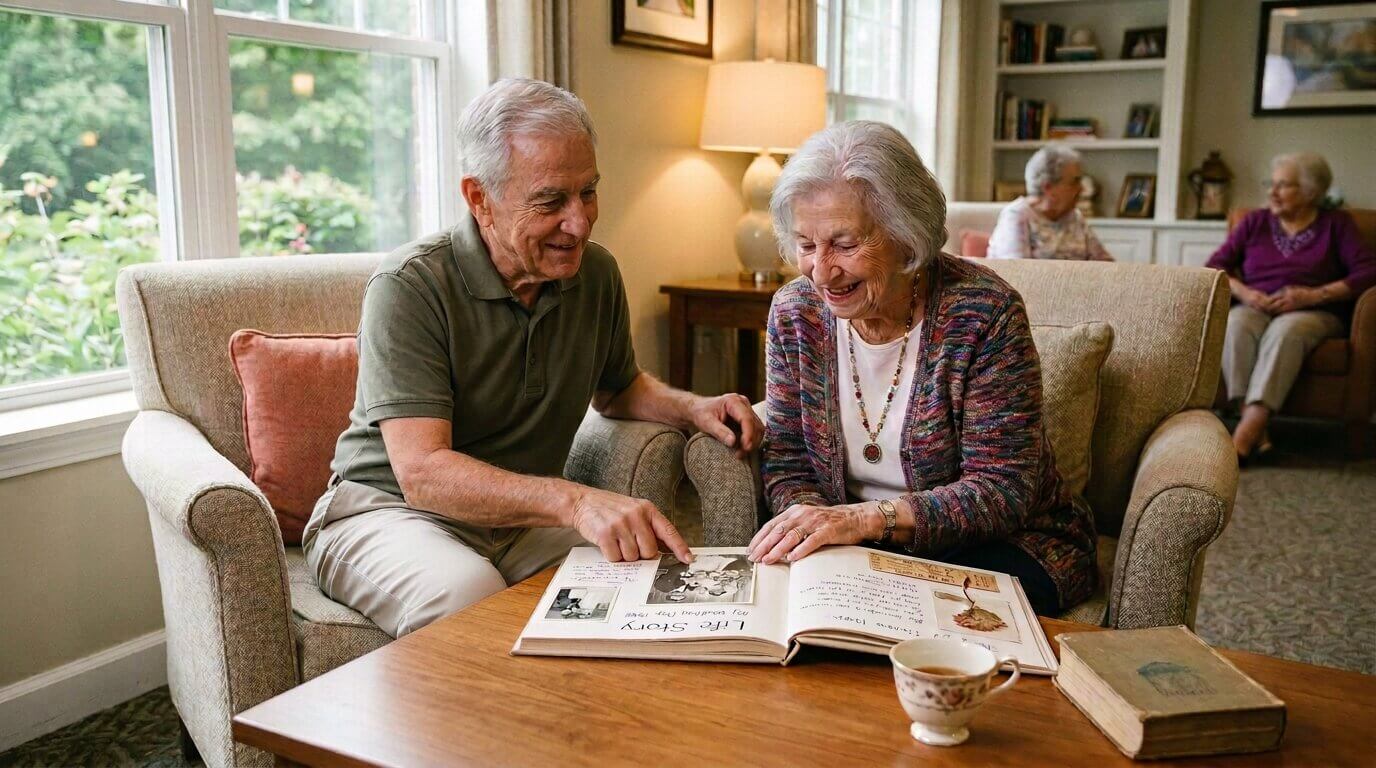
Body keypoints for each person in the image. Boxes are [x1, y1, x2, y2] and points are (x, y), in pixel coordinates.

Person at [303, 78, 762, 638]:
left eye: (588, 191)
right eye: (551, 201)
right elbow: (423, 473)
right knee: (466, 595)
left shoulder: (594, 274)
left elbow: (618, 389)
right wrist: (574, 503)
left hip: (514, 521)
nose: (580, 222)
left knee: (643, 580)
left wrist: (694, 408)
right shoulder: (410, 286)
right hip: (385, 512)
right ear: (480, 199)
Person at [746, 121, 1098, 616]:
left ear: (907, 234)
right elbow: (787, 459)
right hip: (857, 548)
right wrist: (818, 525)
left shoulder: (983, 312)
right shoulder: (795, 313)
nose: (822, 272)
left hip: (1003, 545)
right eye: (806, 244)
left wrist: (866, 522)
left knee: (919, 617)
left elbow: (1001, 489)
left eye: (845, 245)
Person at [1206, 151, 1375, 462]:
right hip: (1257, 305)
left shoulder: (1336, 225)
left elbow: (1367, 272)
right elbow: (1216, 266)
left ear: (1311, 192)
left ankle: (1243, 436)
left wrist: (1314, 295)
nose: (1272, 192)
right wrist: (1246, 294)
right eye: (1271, 183)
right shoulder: (1256, 221)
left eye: (1283, 185)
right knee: (1236, 325)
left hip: (1314, 312)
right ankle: (1257, 427)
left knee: (1286, 332)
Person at [987, 143, 1113, 261]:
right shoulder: (1016, 215)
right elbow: (1016, 273)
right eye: (1075, 182)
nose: (1081, 188)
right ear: (1048, 188)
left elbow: (1106, 264)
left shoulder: (1075, 217)